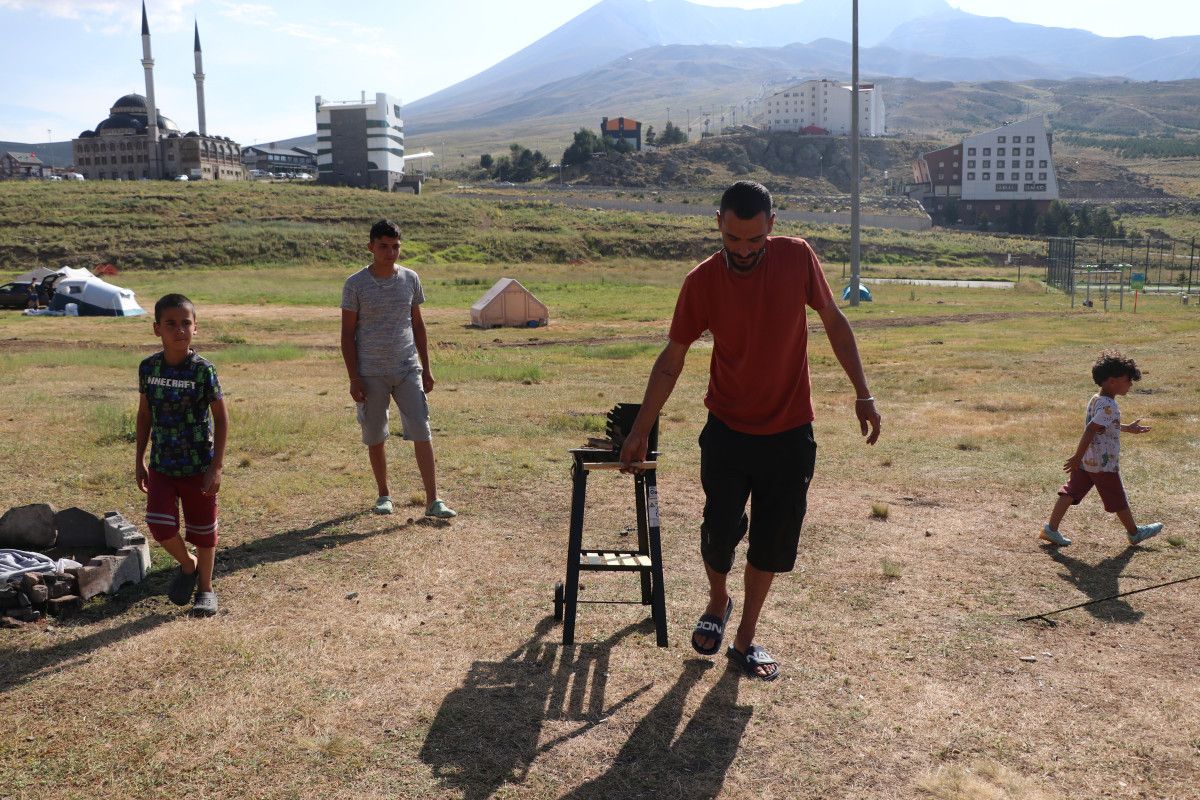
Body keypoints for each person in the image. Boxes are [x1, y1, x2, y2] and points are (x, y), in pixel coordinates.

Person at [619, 181, 881, 681]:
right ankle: (718, 601)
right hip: (728, 431)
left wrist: (862, 392)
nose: (742, 251)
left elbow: (834, 320)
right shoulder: (701, 282)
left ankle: (744, 639)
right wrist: (640, 428)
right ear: (719, 223)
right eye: (733, 240)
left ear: (771, 227)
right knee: (719, 532)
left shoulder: (798, 258)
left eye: (754, 241)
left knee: (772, 540)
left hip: (789, 433)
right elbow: (672, 360)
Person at [341, 219, 456, 519]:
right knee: (376, 434)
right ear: (370, 247)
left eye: (395, 247)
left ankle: (433, 500)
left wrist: (426, 368)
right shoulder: (355, 284)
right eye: (383, 247)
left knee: (422, 429)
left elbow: (417, 324)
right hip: (371, 373)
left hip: (407, 368)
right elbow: (346, 334)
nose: (390, 253)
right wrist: (354, 378)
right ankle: (384, 495)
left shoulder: (410, 279)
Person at [135, 293, 227, 617]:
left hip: (198, 464)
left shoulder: (203, 371)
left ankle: (206, 589)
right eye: (170, 324)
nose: (179, 330)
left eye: (185, 323)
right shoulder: (149, 368)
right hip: (162, 464)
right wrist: (139, 459)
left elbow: (222, 417)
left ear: (196, 328)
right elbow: (144, 415)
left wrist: (216, 466)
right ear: (156, 328)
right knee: (159, 524)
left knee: (203, 530)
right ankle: (187, 565)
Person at [1040, 350, 1162, 548]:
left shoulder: (1098, 399)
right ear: (1113, 381)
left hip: (1089, 460)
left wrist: (1126, 428)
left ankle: (1050, 529)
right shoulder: (1109, 405)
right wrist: (1076, 457)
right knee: (1117, 498)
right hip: (1103, 463)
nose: (1130, 384)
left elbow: (1102, 425)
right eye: (1128, 380)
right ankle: (1134, 533)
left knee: (1070, 492)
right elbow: (1091, 429)